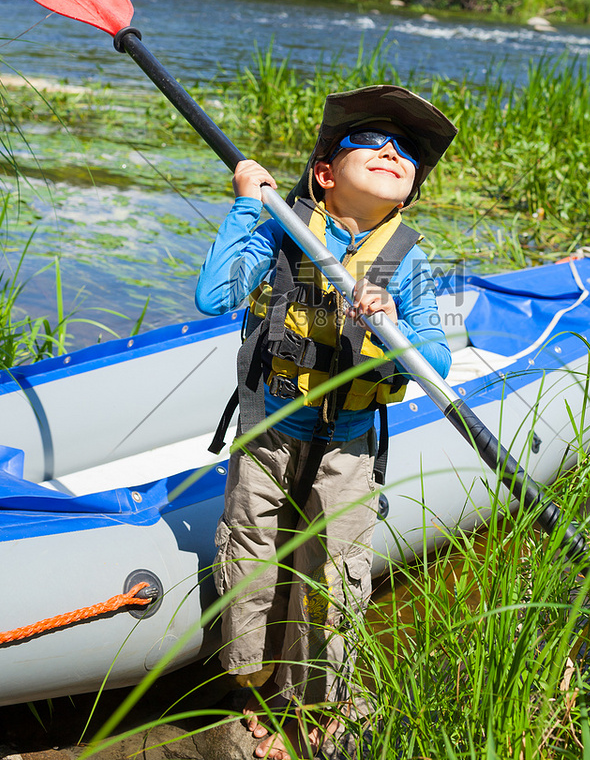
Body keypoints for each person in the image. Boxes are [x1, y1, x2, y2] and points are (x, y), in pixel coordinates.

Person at [195, 84, 456, 759]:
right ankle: (250, 688)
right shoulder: (283, 226)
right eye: (370, 139)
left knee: (335, 580)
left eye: (408, 153)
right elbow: (213, 295)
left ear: (408, 192)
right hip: (268, 438)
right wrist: (249, 204)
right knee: (250, 561)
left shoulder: (410, 262)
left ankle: (318, 704)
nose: (392, 151)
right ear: (323, 173)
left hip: (346, 451)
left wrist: (393, 326)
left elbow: (436, 362)